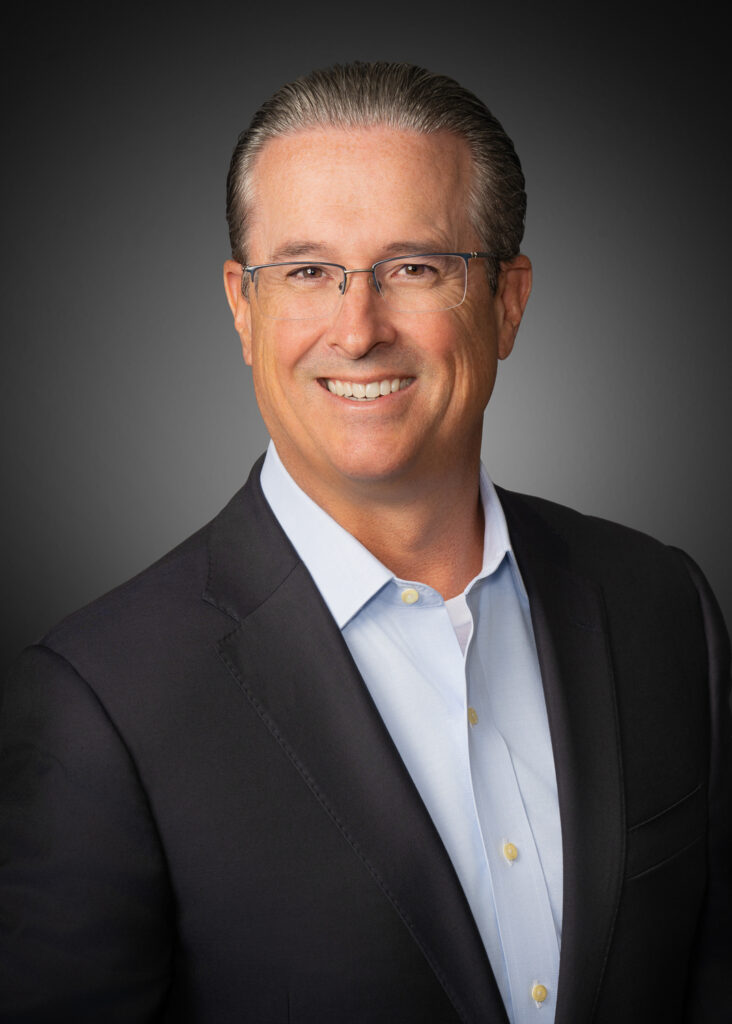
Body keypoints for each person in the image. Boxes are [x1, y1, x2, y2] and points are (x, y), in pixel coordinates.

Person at [0, 61, 729, 1024]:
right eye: (306, 271)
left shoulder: (661, 605)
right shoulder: (101, 703)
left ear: (507, 302)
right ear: (242, 307)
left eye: (414, 267)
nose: (357, 331)